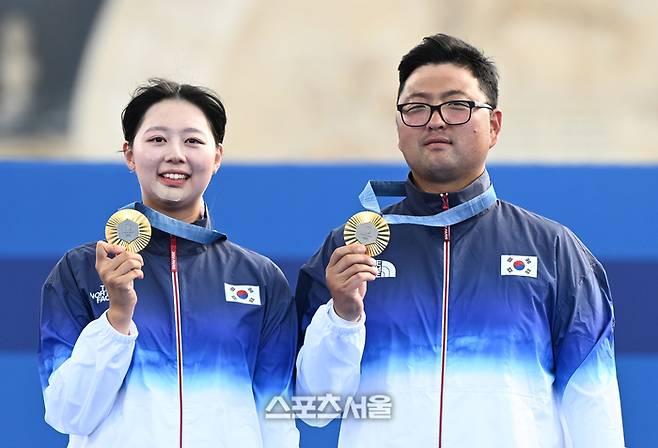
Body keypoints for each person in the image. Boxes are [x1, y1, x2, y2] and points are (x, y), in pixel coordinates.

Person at [295, 34, 625, 447]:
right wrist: (342, 316)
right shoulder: (347, 251)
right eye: (416, 107)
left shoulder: (555, 252)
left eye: (457, 105)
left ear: (494, 125)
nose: (435, 120)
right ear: (398, 126)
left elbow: (592, 405)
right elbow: (318, 407)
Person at [38, 79, 299, 447]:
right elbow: (66, 413)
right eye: (157, 139)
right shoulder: (79, 271)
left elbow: (277, 416)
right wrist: (116, 319)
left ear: (217, 156)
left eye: (192, 140)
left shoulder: (260, 278)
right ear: (129, 154)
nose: (175, 154)